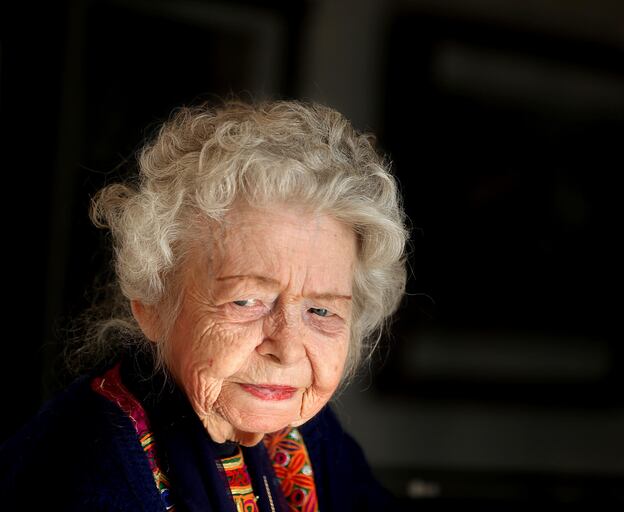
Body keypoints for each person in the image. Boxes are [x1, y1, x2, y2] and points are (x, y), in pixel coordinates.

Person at [0, 100, 408, 511]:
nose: (286, 349)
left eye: (321, 311)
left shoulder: (308, 434)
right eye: (247, 301)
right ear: (153, 303)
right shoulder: (86, 469)